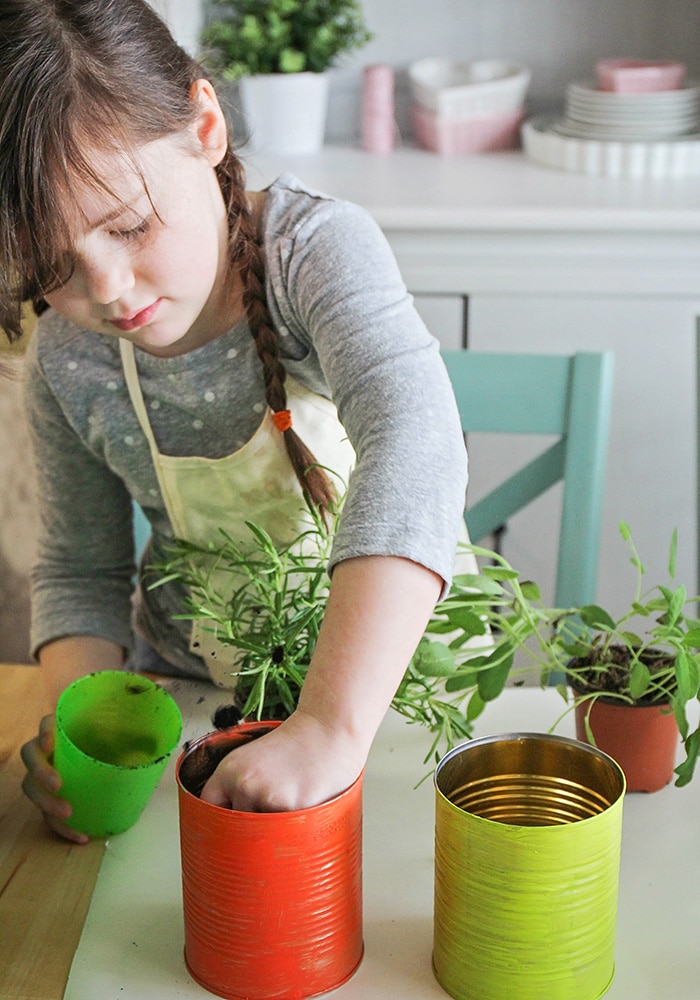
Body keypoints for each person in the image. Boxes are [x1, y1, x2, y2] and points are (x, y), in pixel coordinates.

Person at [1, 0, 469, 844]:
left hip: (383, 695)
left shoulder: (315, 253)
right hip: (198, 705)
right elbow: (80, 569)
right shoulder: (69, 357)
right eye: (55, 266)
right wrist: (85, 732)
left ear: (205, 124)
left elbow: (415, 442)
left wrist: (327, 726)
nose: (106, 291)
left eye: (130, 225)